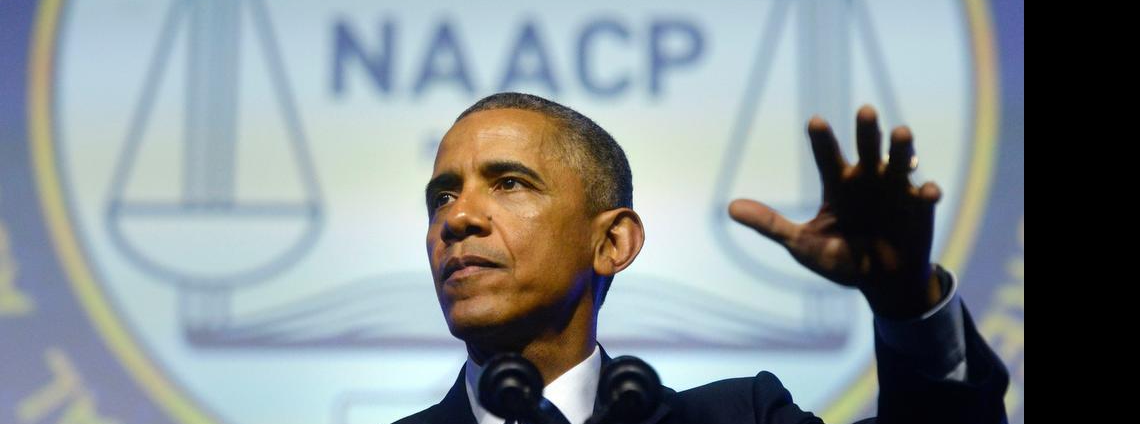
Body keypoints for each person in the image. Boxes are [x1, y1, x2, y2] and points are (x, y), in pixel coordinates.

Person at [395, 92, 1009, 424]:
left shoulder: (743, 418)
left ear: (613, 243)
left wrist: (907, 305)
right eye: (442, 195)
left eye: (508, 183)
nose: (457, 218)